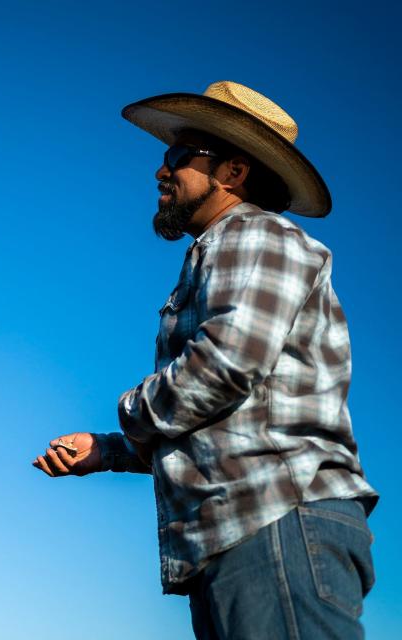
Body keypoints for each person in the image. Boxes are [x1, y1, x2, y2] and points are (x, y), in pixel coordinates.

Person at [32, 81, 378, 639]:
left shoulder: (254, 236)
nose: (160, 172)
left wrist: (129, 411)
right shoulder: (221, 253)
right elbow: (222, 421)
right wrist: (111, 452)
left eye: (176, 157)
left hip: (274, 525)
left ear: (232, 173)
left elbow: (224, 366)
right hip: (245, 534)